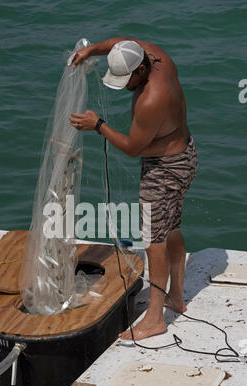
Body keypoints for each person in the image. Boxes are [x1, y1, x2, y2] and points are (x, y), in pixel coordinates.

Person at [69, 38, 198, 341]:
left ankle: (155, 319)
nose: (125, 86)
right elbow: (122, 41)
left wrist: (97, 124)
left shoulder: (152, 99)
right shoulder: (156, 55)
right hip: (184, 155)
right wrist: (92, 50)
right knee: (171, 228)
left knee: (154, 241)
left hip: (165, 171)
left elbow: (132, 147)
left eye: (128, 80)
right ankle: (176, 296)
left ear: (141, 68)